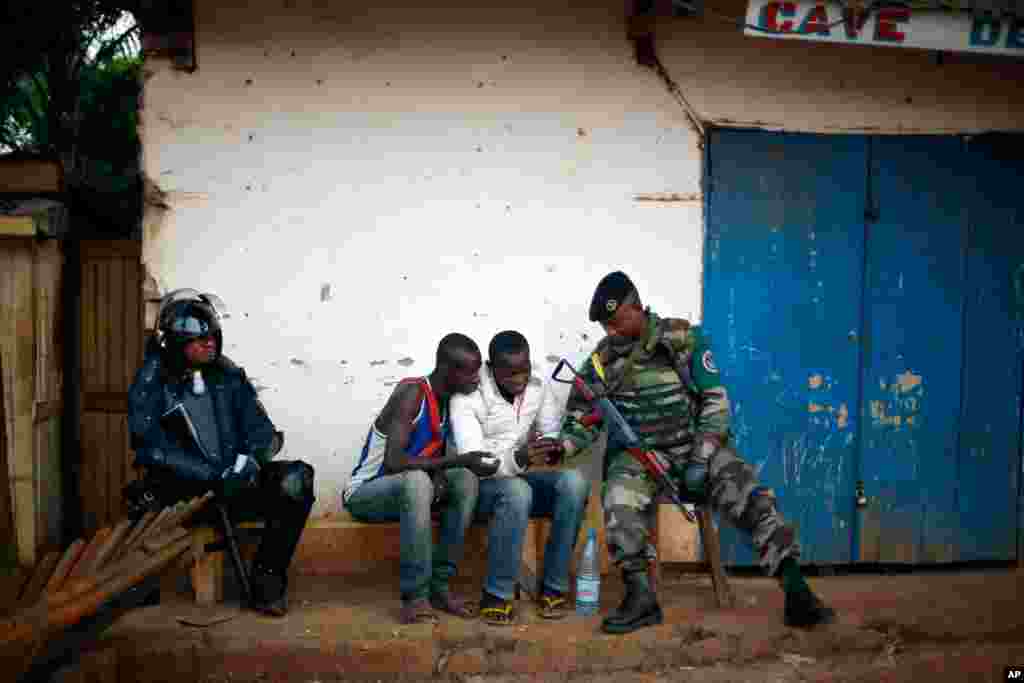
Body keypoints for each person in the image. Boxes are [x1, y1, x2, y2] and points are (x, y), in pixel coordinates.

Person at [559, 271, 836, 634]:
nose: (610, 332)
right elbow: (584, 416)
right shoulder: (602, 359)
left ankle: (797, 591)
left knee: (750, 495)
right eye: (605, 326)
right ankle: (641, 597)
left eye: (615, 322)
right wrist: (563, 445)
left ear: (636, 308)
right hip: (642, 455)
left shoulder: (681, 338)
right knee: (618, 499)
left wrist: (702, 457)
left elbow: (715, 401)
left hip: (696, 444)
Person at [127, 290, 315, 617]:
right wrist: (206, 473)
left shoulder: (228, 376)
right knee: (140, 498)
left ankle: (268, 578)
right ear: (173, 343)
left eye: (212, 336)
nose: (209, 343)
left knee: (296, 481)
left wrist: (250, 460)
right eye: (197, 339)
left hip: (234, 483)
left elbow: (263, 431)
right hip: (183, 491)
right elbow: (149, 446)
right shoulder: (152, 381)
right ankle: (141, 584)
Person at [342, 333, 500, 624]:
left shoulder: (449, 401)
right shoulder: (412, 394)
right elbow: (395, 462)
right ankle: (415, 596)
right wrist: (458, 460)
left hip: (412, 491)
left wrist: (452, 469)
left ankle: (440, 585)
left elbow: (429, 458)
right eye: (470, 371)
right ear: (448, 370)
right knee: (418, 481)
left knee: (465, 480)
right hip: (367, 493)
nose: (477, 379)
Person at [450, 331, 591, 625]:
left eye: (524, 369)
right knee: (516, 491)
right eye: (510, 372)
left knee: (574, 483)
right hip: (476, 492)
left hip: (516, 485)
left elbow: (551, 428)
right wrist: (520, 459)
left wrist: (552, 448)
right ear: (491, 367)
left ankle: (554, 588)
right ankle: (496, 595)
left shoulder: (537, 383)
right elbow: (477, 464)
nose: (520, 378)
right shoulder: (469, 395)